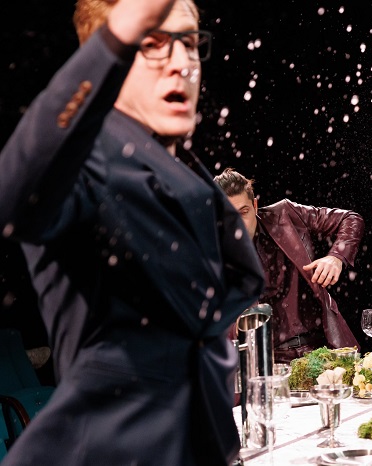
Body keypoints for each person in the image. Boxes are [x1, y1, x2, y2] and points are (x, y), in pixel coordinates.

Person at [0, 1, 264, 465]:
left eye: (189, 43)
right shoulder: (82, 164)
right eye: (153, 43)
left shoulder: (188, 178)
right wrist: (119, 31)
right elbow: (16, 193)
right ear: (111, 60)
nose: (182, 63)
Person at [214, 168, 364, 363]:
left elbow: (350, 219)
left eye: (243, 212)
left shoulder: (284, 214)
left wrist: (336, 257)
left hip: (321, 348)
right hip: (267, 362)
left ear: (255, 206)